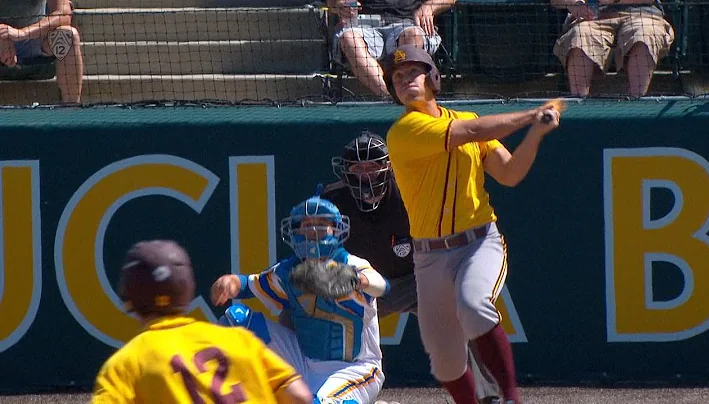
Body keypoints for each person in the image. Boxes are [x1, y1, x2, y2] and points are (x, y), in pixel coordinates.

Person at [382, 45, 562, 404]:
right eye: (397, 78)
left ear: (434, 78)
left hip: (479, 243)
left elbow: (509, 174)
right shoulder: (404, 131)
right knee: (445, 360)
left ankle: (511, 397)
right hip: (429, 257)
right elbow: (471, 130)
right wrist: (530, 116)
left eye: (413, 73)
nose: (405, 81)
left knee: (474, 304)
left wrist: (535, 135)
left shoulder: (466, 120)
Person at [325, 131, 502, 403]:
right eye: (357, 168)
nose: (366, 175)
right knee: (320, 314)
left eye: (373, 167)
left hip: (417, 279)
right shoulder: (331, 203)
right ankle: (334, 395)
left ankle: (487, 396)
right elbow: (318, 255)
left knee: (464, 311)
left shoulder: (414, 192)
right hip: (362, 285)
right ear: (345, 171)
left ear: (388, 167)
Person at [211, 196, 389, 404]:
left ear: (336, 230)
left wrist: (357, 280)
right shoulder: (289, 271)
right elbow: (246, 285)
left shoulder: (352, 265)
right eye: (307, 226)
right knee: (236, 320)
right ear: (296, 232)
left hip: (355, 369)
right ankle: (219, 393)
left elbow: (381, 285)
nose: (313, 232)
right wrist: (229, 282)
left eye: (322, 225)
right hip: (303, 361)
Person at [91, 240, 313, 404]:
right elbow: (300, 397)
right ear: (186, 289)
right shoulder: (240, 340)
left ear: (129, 296)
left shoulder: (127, 363)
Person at [328, 0, 455, 97]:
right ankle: (391, 97)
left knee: (412, 35)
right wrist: (340, 4)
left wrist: (429, 7)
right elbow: (332, 3)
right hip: (363, 25)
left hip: (408, 23)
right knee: (349, 38)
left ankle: (407, 95)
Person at [550, 0, 674, 97]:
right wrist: (573, 4)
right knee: (580, 34)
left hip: (643, 16)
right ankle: (579, 103)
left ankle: (636, 103)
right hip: (592, 19)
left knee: (644, 34)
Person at [0, 0, 83, 103]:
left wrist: (23, 33)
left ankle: (71, 111)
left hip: (34, 38)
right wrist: (2, 35)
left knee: (68, 35)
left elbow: (64, 13)